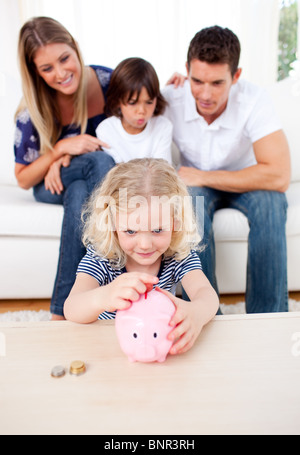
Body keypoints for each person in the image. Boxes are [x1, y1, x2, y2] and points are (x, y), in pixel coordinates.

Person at [162, 26, 291, 313]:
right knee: (190, 198)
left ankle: (267, 318)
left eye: (217, 83)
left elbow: (279, 175)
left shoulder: (254, 100)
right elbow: (130, 114)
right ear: (186, 70)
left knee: (272, 202)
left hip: (247, 181)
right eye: (197, 80)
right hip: (197, 185)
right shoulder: (172, 95)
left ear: (236, 76)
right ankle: (206, 314)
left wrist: (205, 176)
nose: (205, 94)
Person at [14, 17, 115, 320]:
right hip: (50, 184)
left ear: (75, 48)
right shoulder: (31, 110)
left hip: (83, 182)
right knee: (98, 161)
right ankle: (112, 262)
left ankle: (61, 312)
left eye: (64, 59)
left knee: (81, 191)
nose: (60, 73)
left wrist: (178, 86)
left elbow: (146, 105)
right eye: (47, 69)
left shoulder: (109, 83)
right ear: (36, 72)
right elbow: (23, 178)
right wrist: (58, 151)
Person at [64, 158, 219, 355]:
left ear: (176, 222)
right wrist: (104, 296)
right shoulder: (102, 256)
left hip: (154, 347)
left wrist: (197, 312)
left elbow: (206, 294)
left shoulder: (178, 254)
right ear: (111, 223)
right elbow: (71, 307)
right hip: (108, 349)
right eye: (130, 231)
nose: (145, 245)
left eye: (157, 230)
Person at [96, 57, 173, 164]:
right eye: (132, 103)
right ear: (118, 100)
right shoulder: (106, 130)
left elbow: (163, 172)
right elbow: (116, 175)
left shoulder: (162, 126)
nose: (142, 111)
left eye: (149, 102)